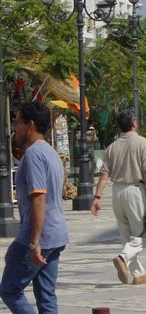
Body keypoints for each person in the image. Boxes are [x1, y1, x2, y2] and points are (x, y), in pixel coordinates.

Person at [0, 101, 69, 313]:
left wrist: (33, 243)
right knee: (46, 296)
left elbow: (39, 198)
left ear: (30, 125)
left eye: (17, 122)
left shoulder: (33, 155)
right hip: (56, 234)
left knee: (10, 290)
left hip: (39, 235)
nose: (14, 127)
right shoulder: (50, 152)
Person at [91, 111, 146, 285]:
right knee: (143, 234)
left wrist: (97, 197)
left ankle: (138, 273)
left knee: (126, 235)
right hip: (135, 190)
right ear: (133, 123)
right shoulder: (143, 143)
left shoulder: (112, 147)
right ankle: (123, 257)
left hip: (117, 192)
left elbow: (104, 174)